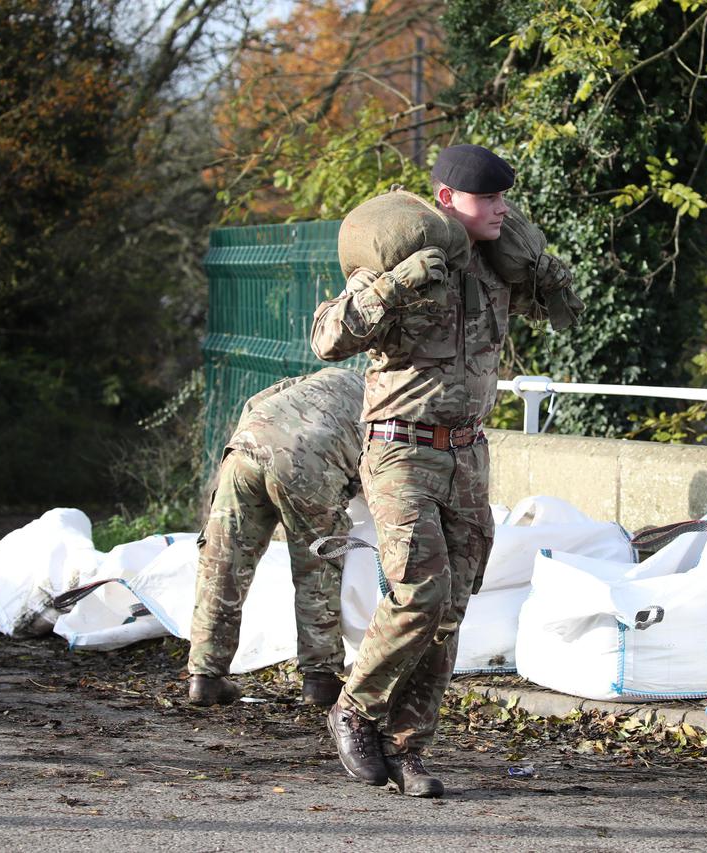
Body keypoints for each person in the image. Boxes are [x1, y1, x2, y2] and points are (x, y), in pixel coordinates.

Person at [310, 144, 582, 797]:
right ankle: (354, 706)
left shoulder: (496, 269)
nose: (500, 208)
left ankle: (407, 749)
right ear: (445, 200)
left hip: (467, 450)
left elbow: (562, 315)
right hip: (400, 445)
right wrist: (397, 284)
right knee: (420, 590)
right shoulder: (402, 257)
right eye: (486, 198)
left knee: (451, 608)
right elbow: (327, 337)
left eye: (503, 197)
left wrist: (550, 277)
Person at [187, 367, 366, 708]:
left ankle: (205, 677)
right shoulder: (388, 403)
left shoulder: (324, 377)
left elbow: (257, 402)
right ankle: (319, 680)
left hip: (246, 447)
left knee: (223, 562)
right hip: (310, 461)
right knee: (317, 567)